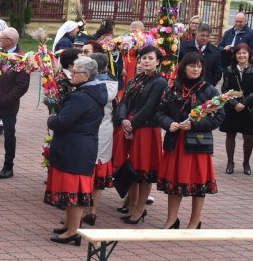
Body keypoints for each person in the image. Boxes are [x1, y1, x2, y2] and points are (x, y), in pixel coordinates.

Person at [156, 52, 224, 229]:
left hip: (197, 144)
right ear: (183, 67)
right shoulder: (173, 88)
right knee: (174, 183)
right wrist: (169, 123)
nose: (195, 69)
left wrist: (194, 125)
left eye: (199, 66)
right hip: (175, 142)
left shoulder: (209, 90)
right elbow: (159, 112)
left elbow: (218, 117)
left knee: (198, 184)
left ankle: (194, 222)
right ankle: (171, 220)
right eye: (192, 65)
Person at [46, 57, 107, 245]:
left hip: (75, 148)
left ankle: (73, 230)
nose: (71, 74)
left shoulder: (80, 96)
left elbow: (62, 121)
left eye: (76, 72)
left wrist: (52, 119)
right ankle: (69, 226)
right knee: (71, 191)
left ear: (87, 76)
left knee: (74, 192)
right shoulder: (93, 92)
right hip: (81, 146)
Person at [114, 45, 167, 224]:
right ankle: (132, 204)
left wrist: (132, 124)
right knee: (132, 168)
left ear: (158, 62)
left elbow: (150, 107)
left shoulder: (159, 82)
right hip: (130, 126)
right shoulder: (134, 80)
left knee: (144, 171)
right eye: (143, 58)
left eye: (151, 58)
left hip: (146, 129)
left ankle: (140, 208)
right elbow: (124, 102)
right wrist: (123, 119)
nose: (146, 61)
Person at [0, 27, 30, 180]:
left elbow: (22, 86)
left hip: (8, 105)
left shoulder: (21, 58)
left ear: (10, 41)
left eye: (2, 38)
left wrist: (5, 100)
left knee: (9, 135)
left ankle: (8, 165)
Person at [83, 52, 119, 227]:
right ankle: (93, 211)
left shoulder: (87, 86)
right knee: (99, 170)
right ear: (106, 67)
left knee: (85, 171)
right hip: (105, 131)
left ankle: (80, 210)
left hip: (87, 131)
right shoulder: (113, 85)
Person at [219, 44, 253, 175]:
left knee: (248, 136)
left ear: (249, 54)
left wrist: (244, 103)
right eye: (239, 53)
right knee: (230, 134)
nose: (242, 56)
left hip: (248, 108)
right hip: (232, 108)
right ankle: (230, 162)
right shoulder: (229, 70)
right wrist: (234, 103)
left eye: (244, 53)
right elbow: (224, 90)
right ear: (235, 56)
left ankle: (246, 163)